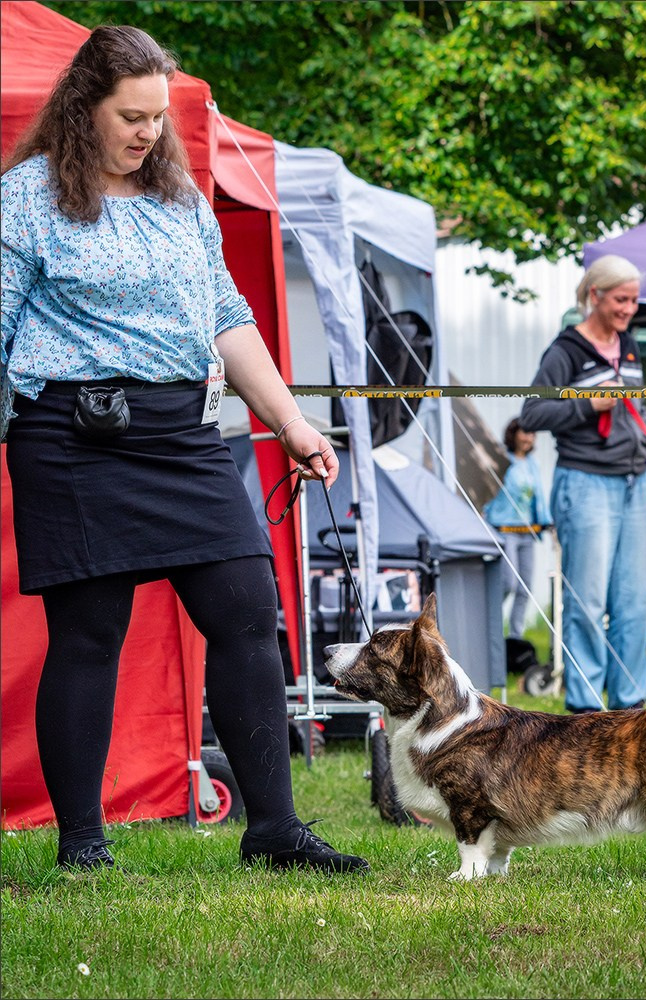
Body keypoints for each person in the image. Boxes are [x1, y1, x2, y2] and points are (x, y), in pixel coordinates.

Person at [0, 25, 368, 875]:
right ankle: (83, 844)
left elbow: (227, 317)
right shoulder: (23, 198)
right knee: (90, 636)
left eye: (158, 118)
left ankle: (273, 829)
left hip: (183, 438)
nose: (147, 134)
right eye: (130, 116)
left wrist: (293, 424)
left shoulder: (179, 199)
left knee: (246, 613)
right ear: (82, 107)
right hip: (72, 439)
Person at [520, 254, 646, 713]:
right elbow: (532, 414)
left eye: (634, 300)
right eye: (621, 299)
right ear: (594, 295)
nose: (629, 309)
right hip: (586, 484)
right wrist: (587, 405)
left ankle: (630, 706)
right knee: (588, 604)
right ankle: (585, 707)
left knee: (636, 603)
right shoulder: (566, 352)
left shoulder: (630, 345)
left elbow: (636, 413)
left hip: (635, 485)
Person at [483, 418, 552, 640]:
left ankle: (515, 637)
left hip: (527, 532)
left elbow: (538, 496)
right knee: (508, 583)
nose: (528, 438)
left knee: (525, 588)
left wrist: (546, 521)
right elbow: (488, 491)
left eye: (532, 434)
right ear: (513, 434)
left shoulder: (532, 464)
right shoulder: (502, 459)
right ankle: (490, 625)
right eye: (525, 433)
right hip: (504, 530)